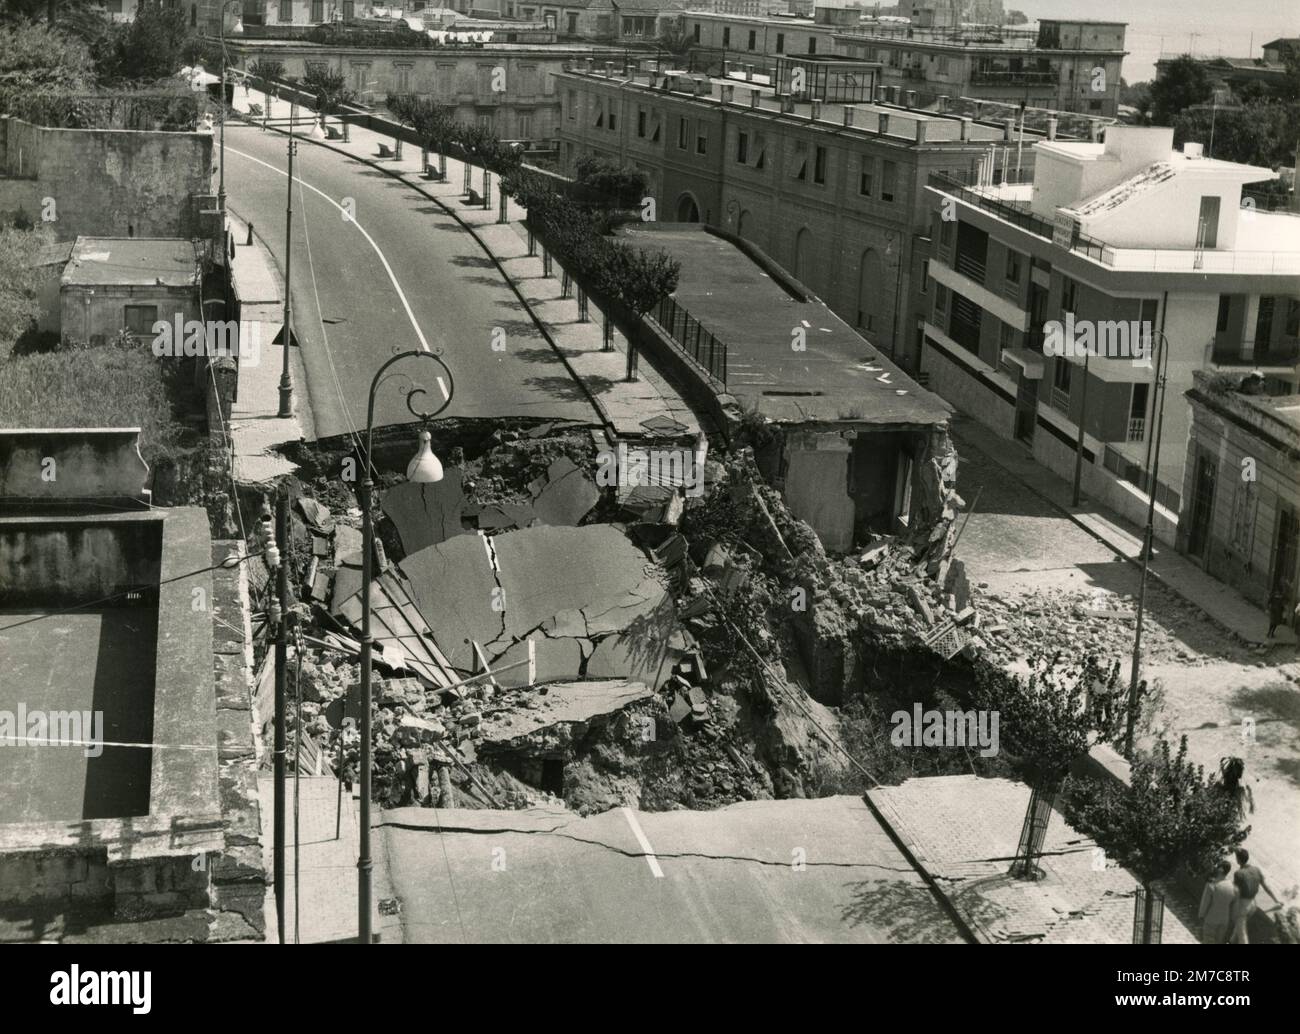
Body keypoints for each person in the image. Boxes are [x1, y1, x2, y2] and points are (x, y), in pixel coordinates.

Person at [1230, 848, 1277, 944]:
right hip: (1253, 905)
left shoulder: (1238, 873)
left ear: (1238, 860)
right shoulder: (1256, 870)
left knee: (1242, 934)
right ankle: (1231, 941)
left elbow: (1236, 892)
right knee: (1239, 926)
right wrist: (1276, 900)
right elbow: (1266, 886)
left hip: (1243, 904)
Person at [1199, 859, 1236, 945]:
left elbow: (1205, 903)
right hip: (1224, 921)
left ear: (1221, 869)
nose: (1216, 868)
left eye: (1217, 866)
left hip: (1211, 919)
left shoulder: (1212, 884)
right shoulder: (1232, 886)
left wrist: (1201, 916)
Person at [1218, 756, 1255, 823]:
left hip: (1230, 791)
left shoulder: (1230, 774)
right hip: (1230, 791)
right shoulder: (1230, 775)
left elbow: (1224, 774)